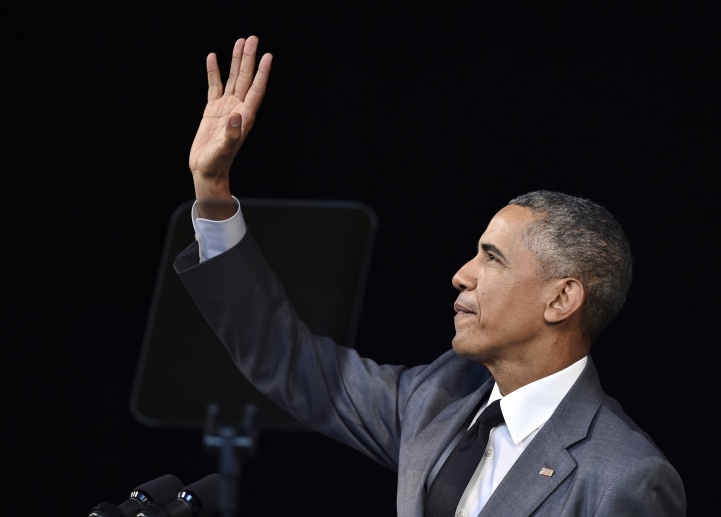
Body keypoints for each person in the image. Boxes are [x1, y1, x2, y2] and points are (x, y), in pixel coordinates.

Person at [173, 35, 687, 516]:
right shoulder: (435, 402)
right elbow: (283, 354)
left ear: (561, 300)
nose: (462, 276)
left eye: (493, 258)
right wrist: (212, 189)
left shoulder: (625, 476)